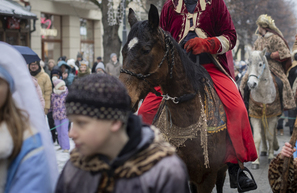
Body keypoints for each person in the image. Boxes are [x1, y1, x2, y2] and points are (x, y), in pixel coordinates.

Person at [138, 0, 257, 191]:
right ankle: (143, 161)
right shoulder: (168, 6)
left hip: (210, 67)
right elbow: (160, 40)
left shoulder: (215, 1)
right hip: (175, 72)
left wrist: (209, 44)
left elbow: (230, 37)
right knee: (144, 110)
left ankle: (237, 166)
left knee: (237, 107)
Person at [55, 74, 190, 193]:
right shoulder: (76, 165)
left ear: (114, 122)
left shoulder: (163, 172)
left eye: (82, 123)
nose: (71, 134)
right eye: (72, 123)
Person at [0, 42, 58, 192]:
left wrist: (44, 107)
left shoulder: (28, 145)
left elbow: (45, 93)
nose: (32, 66)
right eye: (30, 65)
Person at [50, 77, 70, 153]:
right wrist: (50, 111)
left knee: (64, 132)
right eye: (61, 86)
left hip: (65, 115)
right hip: (56, 116)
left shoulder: (66, 94)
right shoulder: (53, 95)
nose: (63, 87)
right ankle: (61, 145)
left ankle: (66, 147)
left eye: (63, 85)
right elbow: (52, 105)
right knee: (59, 132)